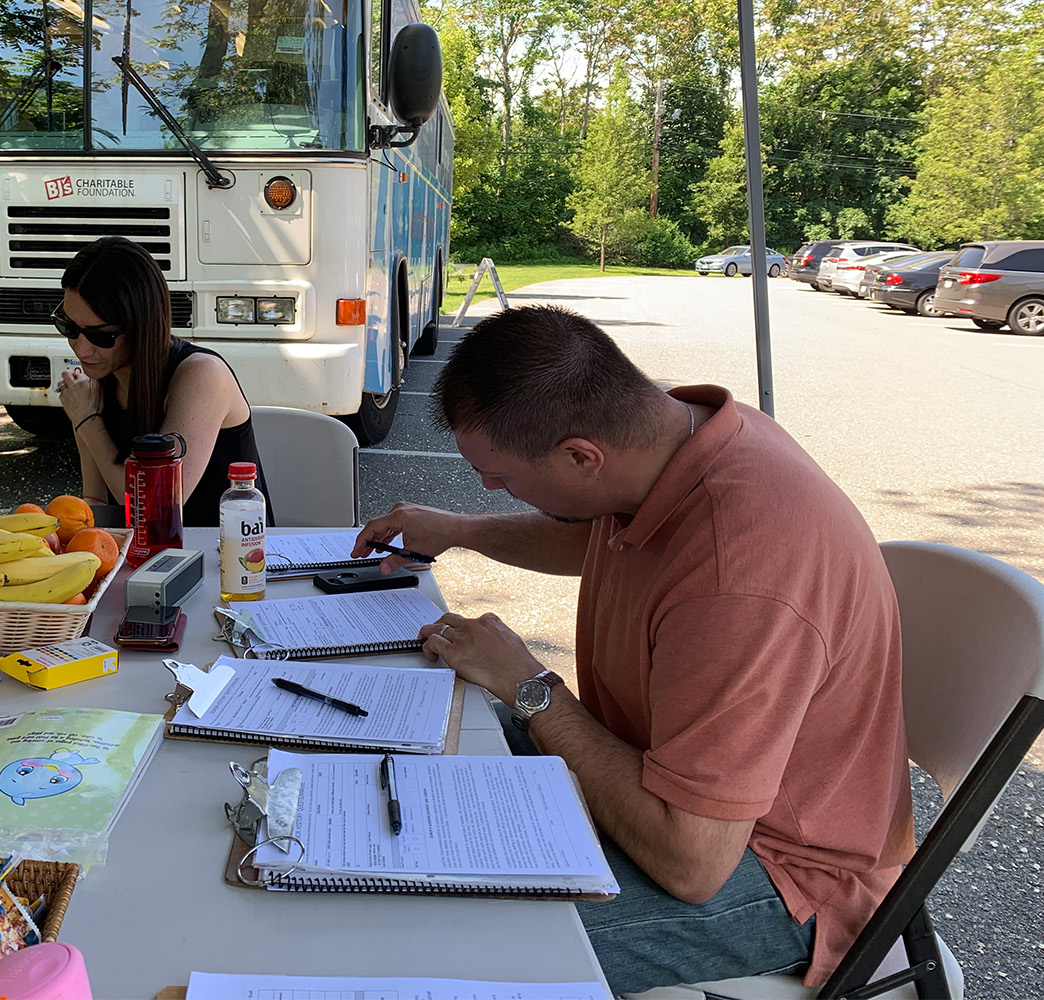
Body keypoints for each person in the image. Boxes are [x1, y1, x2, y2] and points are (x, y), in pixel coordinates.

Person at [353, 305, 913, 995]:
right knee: (423, 734)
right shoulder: (676, 441)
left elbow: (691, 864)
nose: (491, 489)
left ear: (582, 456)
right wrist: (458, 527)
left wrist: (531, 688)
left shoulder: (738, 575)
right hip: (662, 788)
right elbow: (597, 533)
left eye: (498, 478)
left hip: (780, 874)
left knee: (419, 939)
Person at [54, 236, 274, 526]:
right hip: (146, 552)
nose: (81, 349)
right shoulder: (95, 383)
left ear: (141, 327)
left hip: (228, 553)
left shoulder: (202, 374)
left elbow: (156, 506)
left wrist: (88, 421)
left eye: (101, 335)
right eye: (68, 327)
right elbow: (96, 501)